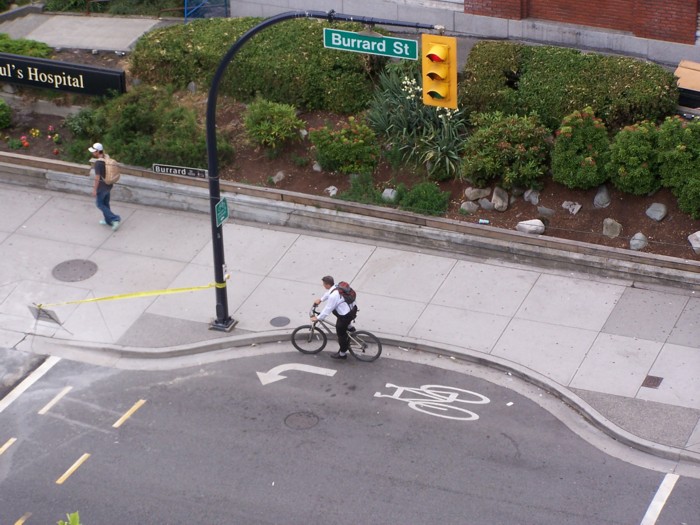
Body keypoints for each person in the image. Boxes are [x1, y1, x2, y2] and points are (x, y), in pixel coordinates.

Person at [311, 275, 358, 360]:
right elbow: (328, 293)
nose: (323, 285)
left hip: (346, 315)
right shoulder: (336, 286)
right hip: (352, 309)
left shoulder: (334, 296)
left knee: (340, 333)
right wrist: (321, 299)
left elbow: (328, 309)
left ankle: (342, 354)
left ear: (327, 284)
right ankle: (349, 327)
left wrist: (318, 317)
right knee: (335, 311)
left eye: (324, 284)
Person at [90, 142, 121, 231]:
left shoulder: (98, 163)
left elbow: (97, 178)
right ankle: (108, 221)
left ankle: (115, 219)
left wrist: (95, 189)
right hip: (109, 184)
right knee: (105, 203)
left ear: (97, 151)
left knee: (99, 204)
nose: (92, 153)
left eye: (93, 151)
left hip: (102, 186)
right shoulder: (106, 157)